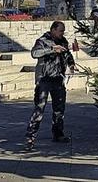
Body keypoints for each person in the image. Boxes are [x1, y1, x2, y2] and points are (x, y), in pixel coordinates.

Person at [24, 21, 75, 151]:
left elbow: (67, 54)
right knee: (39, 108)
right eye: (60, 31)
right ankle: (31, 136)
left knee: (59, 108)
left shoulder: (63, 40)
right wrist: (52, 49)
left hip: (58, 78)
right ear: (53, 30)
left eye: (63, 31)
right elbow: (34, 53)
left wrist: (72, 64)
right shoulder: (42, 40)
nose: (62, 33)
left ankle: (58, 134)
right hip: (44, 79)